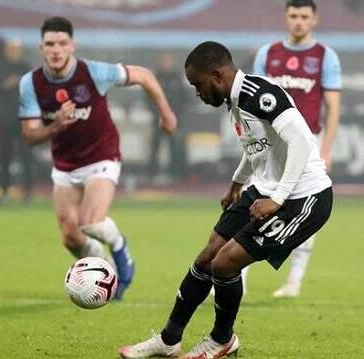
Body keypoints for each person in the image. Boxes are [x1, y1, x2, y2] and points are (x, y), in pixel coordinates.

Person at [118, 41, 333, 358]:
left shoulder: (260, 95)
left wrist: (277, 197)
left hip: (304, 197)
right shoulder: (235, 101)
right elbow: (257, 146)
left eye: (197, 84)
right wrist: (236, 183)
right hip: (263, 188)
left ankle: (222, 339)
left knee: (225, 263)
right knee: (208, 257)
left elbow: (301, 142)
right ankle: (169, 340)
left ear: (217, 76)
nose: (197, 92)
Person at [18, 17, 177, 300]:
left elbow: (143, 75)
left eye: (62, 43)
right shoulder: (31, 83)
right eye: (51, 44)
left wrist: (165, 112)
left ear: (72, 46)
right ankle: (101, 273)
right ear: (41, 47)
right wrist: (56, 125)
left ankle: (119, 247)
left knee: (91, 222)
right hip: (65, 164)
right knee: (71, 236)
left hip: (101, 155)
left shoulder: (93, 72)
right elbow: (30, 136)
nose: (56, 50)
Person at [251, 0, 342, 298]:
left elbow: (332, 106)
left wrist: (326, 148)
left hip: (309, 143)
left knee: (307, 204)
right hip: (269, 144)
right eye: (293, 16)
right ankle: (236, 274)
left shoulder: (325, 57)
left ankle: (294, 281)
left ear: (314, 19)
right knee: (251, 202)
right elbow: (252, 103)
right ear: (286, 17)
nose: (298, 22)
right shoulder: (268, 54)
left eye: (304, 16)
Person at [0, 39, 35, 203]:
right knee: (4, 157)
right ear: (6, 50)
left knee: (26, 156)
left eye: (17, 49)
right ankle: (4, 192)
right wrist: (5, 85)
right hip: (5, 118)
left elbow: (35, 89)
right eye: (11, 49)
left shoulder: (26, 68)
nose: (14, 52)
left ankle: (27, 192)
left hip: (23, 119)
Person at [148, 52, 188, 184]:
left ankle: (176, 173)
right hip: (158, 119)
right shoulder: (155, 78)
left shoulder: (177, 77)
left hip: (175, 120)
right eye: (164, 61)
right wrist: (157, 114)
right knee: (155, 145)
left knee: (176, 146)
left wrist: (177, 115)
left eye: (168, 61)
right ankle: (152, 173)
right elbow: (148, 98)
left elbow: (184, 98)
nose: (166, 64)